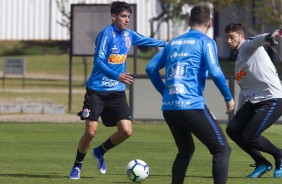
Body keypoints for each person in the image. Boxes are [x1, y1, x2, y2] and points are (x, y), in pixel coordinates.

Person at [69, 1, 166, 180]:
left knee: (126, 131)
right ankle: (77, 164)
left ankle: (100, 151)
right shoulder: (106, 35)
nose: (126, 19)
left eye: (128, 16)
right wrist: (117, 75)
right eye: (123, 16)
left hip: (116, 91)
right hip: (96, 91)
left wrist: (166, 44)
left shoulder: (129, 35)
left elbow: (147, 40)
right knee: (90, 132)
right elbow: (98, 62)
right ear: (113, 16)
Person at [146, 4, 235, 184]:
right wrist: (228, 97)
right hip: (191, 106)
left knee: (185, 151)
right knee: (222, 150)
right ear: (209, 24)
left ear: (189, 21)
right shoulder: (205, 41)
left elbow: (150, 68)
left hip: (169, 108)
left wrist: (164, 91)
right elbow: (216, 72)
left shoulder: (174, 42)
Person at [224, 23, 282, 178]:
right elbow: (245, 89)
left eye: (232, 37)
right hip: (255, 101)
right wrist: (238, 114)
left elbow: (257, 40)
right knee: (233, 129)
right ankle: (262, 163)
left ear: (241, 37)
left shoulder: (247, 45)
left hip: (273, 99)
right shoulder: (240, 60)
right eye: (227, 37)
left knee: (250, 136)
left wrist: (269, 37)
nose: (229, 40)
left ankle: (280, 156)